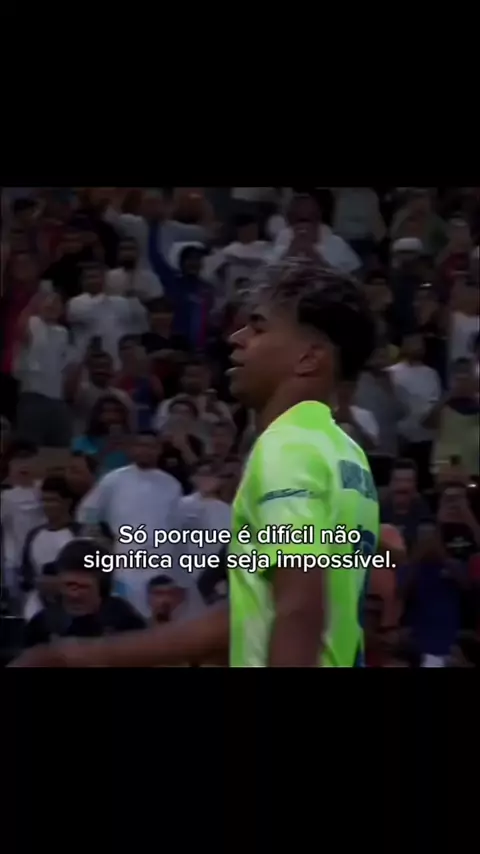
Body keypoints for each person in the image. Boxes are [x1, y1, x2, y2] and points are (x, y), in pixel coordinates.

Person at [11, 261, 382, 668]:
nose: (236, 339)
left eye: (258, 328)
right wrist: (80, 655)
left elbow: (297, 608)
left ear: (309, 357)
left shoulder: (288, 447)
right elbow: (253, 617)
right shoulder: (345, 452)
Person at [23, 539, 146, 648]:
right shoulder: (42, 624)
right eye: (69, 585)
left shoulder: (125, 620)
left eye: (83, 587)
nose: (74, 595)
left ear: (102, 588)